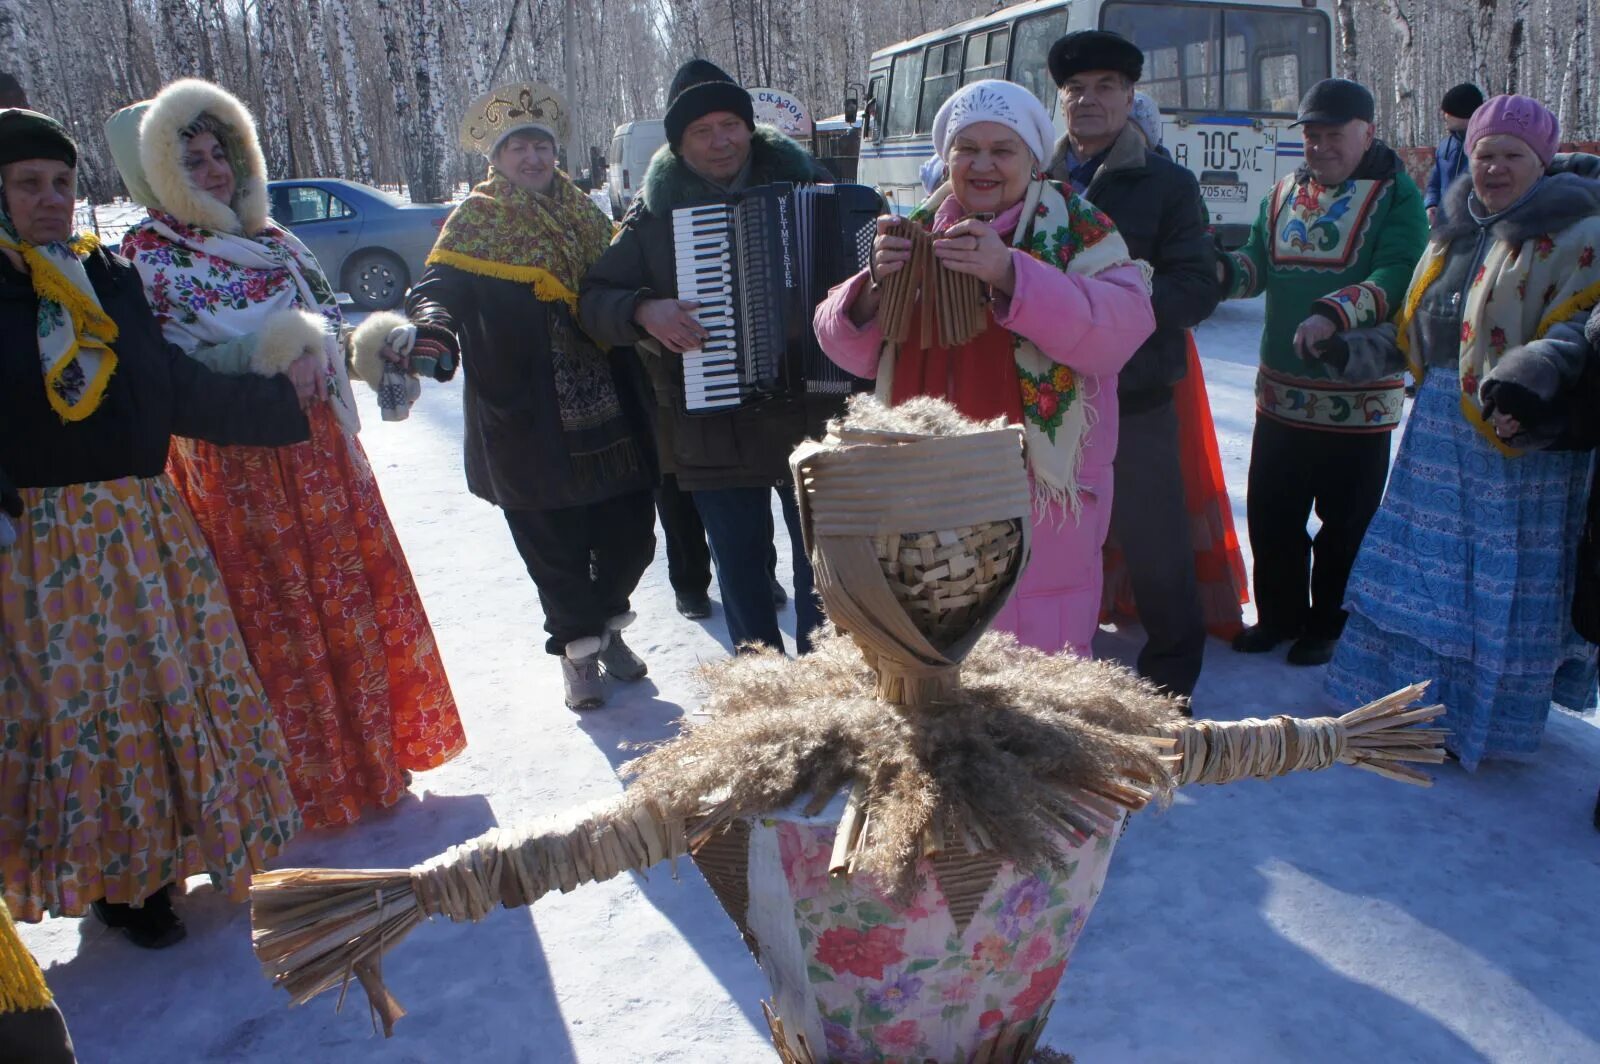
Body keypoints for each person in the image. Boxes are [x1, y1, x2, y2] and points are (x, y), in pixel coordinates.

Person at [103, 79, 465, 828]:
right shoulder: (146, 257)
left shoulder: (275, 240)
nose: (215, 172)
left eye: (220, 153)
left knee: (347, 601)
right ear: (159, 175)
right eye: (191, 160)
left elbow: (328, 324)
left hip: (321, 455)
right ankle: (306, 786)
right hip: (237, 468)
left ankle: (372, 761)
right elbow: (170, 367)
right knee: (278, 617)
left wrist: (378, 346)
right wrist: (270, 356)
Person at [0, 108, 304, 946]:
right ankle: (124, 883)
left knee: (172, 693)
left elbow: (170, 386)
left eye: (62, 184)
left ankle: (177, 848)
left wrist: (292, 403)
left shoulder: (105, 278)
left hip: (141, 524)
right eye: (28, 184)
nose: (51, 199)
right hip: (40, 543)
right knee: (86, 711)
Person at [814, 78, 1155, 657]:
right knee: (940, 652)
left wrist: (1011, 274)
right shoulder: (915, 228)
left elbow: (1121, 332)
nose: (983, 165)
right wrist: (871, 288)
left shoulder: (1080, 229)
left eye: (1003, 150)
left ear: (1032, 157)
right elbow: (848, 348)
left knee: (1040, 663)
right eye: (967, 149)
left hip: (1038, 496)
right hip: (927, 488)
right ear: (945, 158)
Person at [1317, 94, 1600, 769]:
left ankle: (1476, 721)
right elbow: (1427, 335)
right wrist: (1348, 350)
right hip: (1439, 431)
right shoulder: (1455, 224)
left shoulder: (1580, 233)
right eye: (1484, 154)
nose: (1495, 167)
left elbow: (1579, 333)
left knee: (1485, 584)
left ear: (1542, 160)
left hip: (1518, 441)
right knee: (1422, 574)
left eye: (1512, 155)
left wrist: (1528, 390)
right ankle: (1405, 705)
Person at [375, 82, 657, 710]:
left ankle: (607, 622)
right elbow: (437, 287)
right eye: (517, 147)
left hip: (613, 408)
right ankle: (580, 651)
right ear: (495, 158)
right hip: (528, 418)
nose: (532, 157)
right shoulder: (477, 219)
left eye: (541, 145)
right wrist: (430, 330)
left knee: (632, 535)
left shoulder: (587, 215)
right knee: (552, 544)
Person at [580, 59, 839, 656]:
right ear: (678, 143)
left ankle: (830, 684)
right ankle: (763, 696)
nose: (720, 140)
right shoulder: (651, 215)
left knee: (822, 565)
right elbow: (594, 299)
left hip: (812, 412)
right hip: (712, 422)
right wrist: (645, 311)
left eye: (730, 124)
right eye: (702, 131)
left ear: (750, 128)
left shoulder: (816, 186)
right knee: (741, 567)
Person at [1218, 78, 1428, 666]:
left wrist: (1334, 313)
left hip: (1355, 395)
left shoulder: (1397, 197)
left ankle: (1328, 625)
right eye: (1311, 135)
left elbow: (1399, 274)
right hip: (1281, 395)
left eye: (1334, 134)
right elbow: (1258, 259)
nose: (1320, 146)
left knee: (1345, 522)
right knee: (1272, 512)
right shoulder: (1283, 190)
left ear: (1368, 133)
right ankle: (1279, 616)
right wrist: (1216, 273)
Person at [1044, 31, 1220, 698]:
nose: (1089, 100)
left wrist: (1108, 315)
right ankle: (1054, 665)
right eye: (1075, 89)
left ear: (1129, 97)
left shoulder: (1167, 184)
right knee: (1052, 537)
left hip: (1136, 390)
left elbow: (1196, 287)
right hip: (1048, 393)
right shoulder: (1034, 179)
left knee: (1154, 542)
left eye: (1105, 87)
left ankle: (1170, 679)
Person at [1426, 83, 1483, 226]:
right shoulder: (1444, 146)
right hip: (1443, 224)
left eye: (1449, 111)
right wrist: (1430, 204)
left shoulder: (1484, 148)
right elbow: (1433, 184)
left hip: (1473, 226)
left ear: (1464, 114)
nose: (1444, 116)